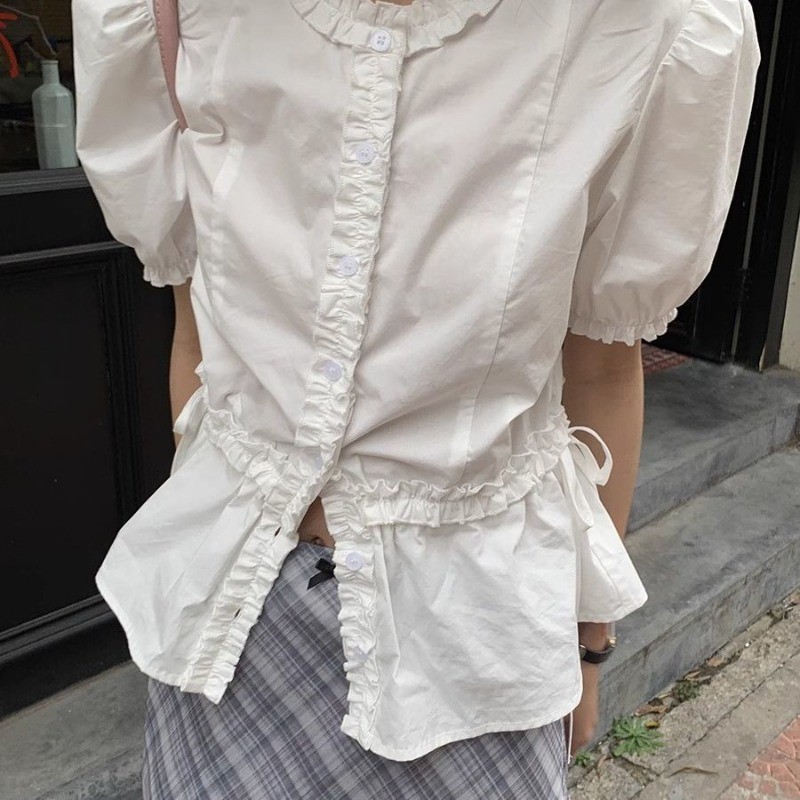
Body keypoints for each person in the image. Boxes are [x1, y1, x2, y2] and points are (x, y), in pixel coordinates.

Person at [71, 0, 761, 796]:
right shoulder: (180, 14)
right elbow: (198, 347)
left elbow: (604, 370)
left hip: (481, 644)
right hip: (230, 629)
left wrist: (587, 646)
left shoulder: (637, 25)